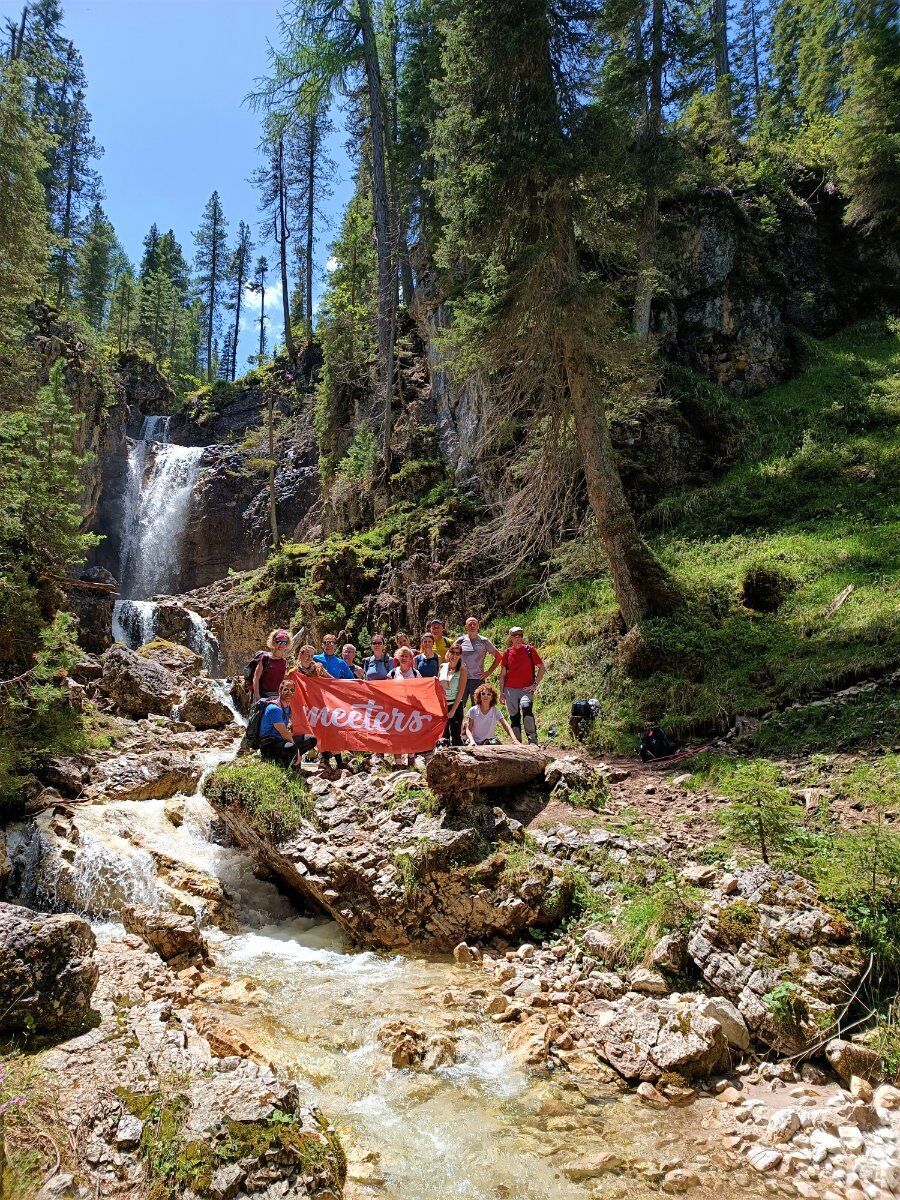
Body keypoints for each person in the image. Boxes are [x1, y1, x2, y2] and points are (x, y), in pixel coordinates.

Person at [291, 643, 344, 774]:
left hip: (320, 704)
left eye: (312, 655)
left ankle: (338, 761)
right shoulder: (294, 673)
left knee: (330, 730)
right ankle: (311, 761)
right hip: (303, 708)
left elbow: (332, 682)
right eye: (307, 655)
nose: (309, 658)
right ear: (300, 655)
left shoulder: (319, 668)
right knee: (310, 733)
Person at [498, 626, 545, 745]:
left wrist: (534, 685)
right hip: (510, 690)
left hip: (526, 689)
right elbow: (502, 675)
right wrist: (501, 693)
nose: (518, 638)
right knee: (514, 716)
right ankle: (517, 743)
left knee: (526, 708)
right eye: (515, 636)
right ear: (511, 638)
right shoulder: (507, 653)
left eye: (520, 635)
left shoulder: (530, 650)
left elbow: (542, 667)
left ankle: (533, 741)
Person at [258, 680, 317, 767]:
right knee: (292, 747)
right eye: (286, 690)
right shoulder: (274, 709)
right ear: (279, 691)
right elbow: (284, 733)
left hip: (280, 740)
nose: (289, 692)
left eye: (292, 690)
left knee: (311, 739)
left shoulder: (287, 707)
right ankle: (285, 767)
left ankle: (290, 762)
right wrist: (297, 751)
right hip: (268, 745)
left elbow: (289, 730)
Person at [454, 616, 502, 707]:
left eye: (474, 624)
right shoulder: (460, 641)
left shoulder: (484, 641)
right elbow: (450, 655)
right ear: (466, 627)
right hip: (461, 679)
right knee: (458, 706)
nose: (472, 626)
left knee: (477, 708)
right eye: (470, 624)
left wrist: (489, 672)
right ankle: (458, 721)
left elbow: (498, 657)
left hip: (477, 680)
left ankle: (472, 722)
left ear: (478, 626)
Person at [388, 647, 420, 768]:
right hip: (396, 710)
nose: (404, 658)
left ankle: (411, 759)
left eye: (407, 656)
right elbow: (385, 690)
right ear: (397, 658)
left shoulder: (416, 673)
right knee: (396, 735)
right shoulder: (392, 673)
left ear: (411, 658)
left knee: (411, 734)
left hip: (411, 709)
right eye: (402, 655)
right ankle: (398, 763)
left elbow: (422, 689)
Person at [251, 629, 293, 703]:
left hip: (277, 696)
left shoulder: (284, 661)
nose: (281, 645)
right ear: (273, 642)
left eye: (284, 643)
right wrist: (257, 696)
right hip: (263, 695)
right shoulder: (265, 658)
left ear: (287, 644)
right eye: (278, 642)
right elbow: (256, 678)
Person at [439, 643, 468, 745]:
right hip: (443, 705)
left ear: (460, 655)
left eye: (457, 653)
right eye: (452, 652)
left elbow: (461, 692)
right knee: (444, 736)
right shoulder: (443, 666)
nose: (454, 656)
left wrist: (453, 710)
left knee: (456, 736)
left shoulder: (462, 670)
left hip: (455, 705)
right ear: (449, 653)